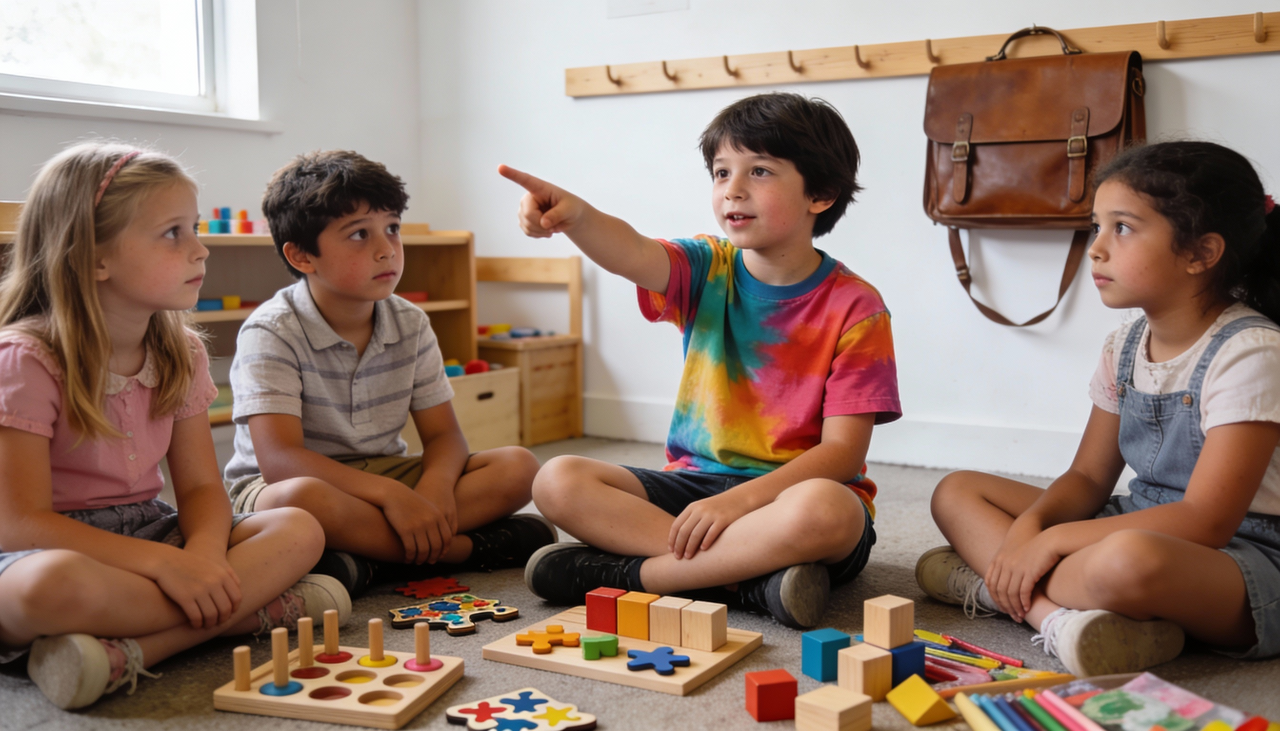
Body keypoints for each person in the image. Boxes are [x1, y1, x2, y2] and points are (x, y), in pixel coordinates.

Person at [502, 92, 901, 628]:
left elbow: (841, 458)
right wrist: (576, 217)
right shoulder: (706, 266)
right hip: (692, 491)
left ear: (821, 194)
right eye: (720, 172)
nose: (732, 188)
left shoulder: (858, 307)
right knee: (557, 478)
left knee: (827, 511)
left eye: (759, 171)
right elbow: (631, 250)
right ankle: (749, 583)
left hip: (790, 499)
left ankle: (636, 579)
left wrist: (737, 505)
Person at [0, 142, 348, 711]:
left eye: (195, 228)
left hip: (147, 530)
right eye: (173, 233)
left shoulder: (178, 352)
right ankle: (246, 612)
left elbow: (201, 489)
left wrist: (206, 555)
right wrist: (168, 566)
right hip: (48, 549)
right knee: (49, 589)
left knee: (298, 528)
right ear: (93, 257)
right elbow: (19, 525)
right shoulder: (25, 359)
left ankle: (136, 648)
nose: (200, 249)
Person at [919, 141, 1280, 676]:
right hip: (1139, 517)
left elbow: (1204, 520)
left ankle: (994, 587)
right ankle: (1050, 611)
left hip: (1243, 554)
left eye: (1124, 228)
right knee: (957, 491)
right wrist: (1031, 528)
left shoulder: (1252, 353)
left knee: (1128, 561)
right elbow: (1088, 476)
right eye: (1097, 225)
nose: (1096, 248)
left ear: (1201, 253)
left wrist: (1051, 542)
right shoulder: (1124, 346)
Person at [224, 150, 552, 596]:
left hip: (382, 472)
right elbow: (281, 460)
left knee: (518, 467)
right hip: (286, 485)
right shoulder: (271, 330)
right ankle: (459, 550)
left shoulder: (409, 322)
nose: (386, 249)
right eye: (359, 234)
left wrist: (433, 492)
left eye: (392, 228)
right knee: (301, 501)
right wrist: (395, 499)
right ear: (302, 256)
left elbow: (444, 437)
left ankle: (366, 557)